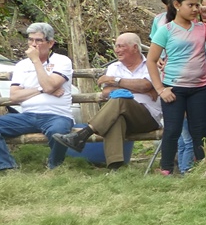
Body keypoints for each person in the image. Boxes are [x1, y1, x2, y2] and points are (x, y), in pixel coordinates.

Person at [0, 22, 74, 172]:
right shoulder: (22, 65)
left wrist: (36, 61)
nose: (33, 45)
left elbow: (50, 86)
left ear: (51, 43)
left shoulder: (62, 61)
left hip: (57, 115)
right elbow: (14, 96)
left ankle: (54, 166)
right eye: (30, 40)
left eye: (38, 40)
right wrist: (41, 89)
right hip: (27, 116)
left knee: (57, 133)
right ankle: (7, 167)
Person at [52, 33, 161, 169]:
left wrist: (115, 80)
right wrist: (140, 88)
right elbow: (106, 92)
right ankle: (115, 167)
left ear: (134, 48)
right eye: (116, 46)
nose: (117, 50)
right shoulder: (114, 67)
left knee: (121, 98)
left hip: (147, 118)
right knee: (116, 118)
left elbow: (145, 85)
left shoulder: (150, 64)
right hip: (123, 116)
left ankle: (83, 134)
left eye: (121, 46)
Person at [147, 0, 206, 176]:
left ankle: (201, 168)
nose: (195, 9)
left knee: (198, 130)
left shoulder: (202, 28)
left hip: (199, 88)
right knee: (172, 130)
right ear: (177, 5)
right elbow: (151, 60)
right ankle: (166, 169)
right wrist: (161, 89)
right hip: (174, 88)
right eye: (191, 5)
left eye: (197, 5)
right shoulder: (166, 30)